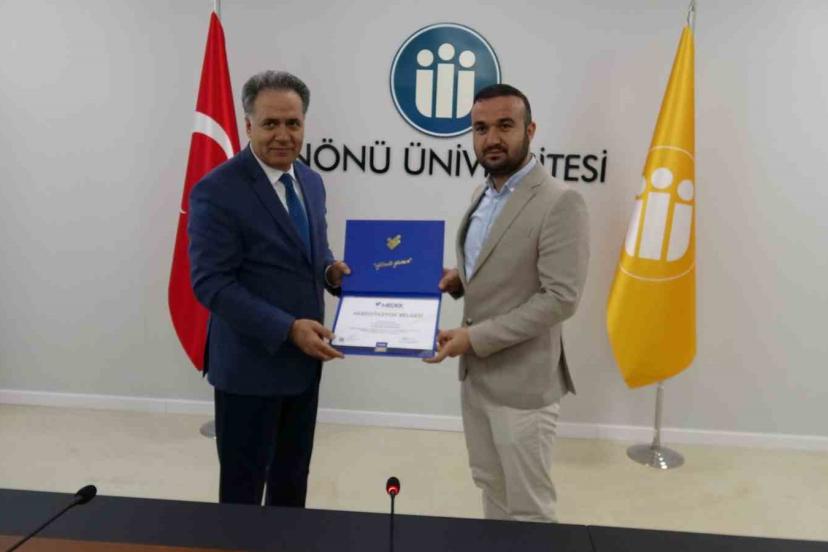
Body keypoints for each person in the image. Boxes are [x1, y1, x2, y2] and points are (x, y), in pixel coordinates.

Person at [425, 84, 590, 522]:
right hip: (476, 380)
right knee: (490, 486)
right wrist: (461, 280)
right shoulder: (482, 194)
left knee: (529, 508)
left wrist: (472, 338)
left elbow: (560, 298)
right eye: (481, 129)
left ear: (530, 130)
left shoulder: (560, 201)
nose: (492, 139)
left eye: (505, 126)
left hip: (523, 386)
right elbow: (500, 269)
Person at [188, 70, 349, 507]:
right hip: (248, 371)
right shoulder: (217, 190)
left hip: (303, 368)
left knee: (291, 487)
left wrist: (331, 273)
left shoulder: (311, 182)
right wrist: (287, 329)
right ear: (248, 125)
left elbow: (313, 253)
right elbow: (211, 283)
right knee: (242, 499)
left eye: (293, 123)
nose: (283, 135)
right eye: (270, 123)